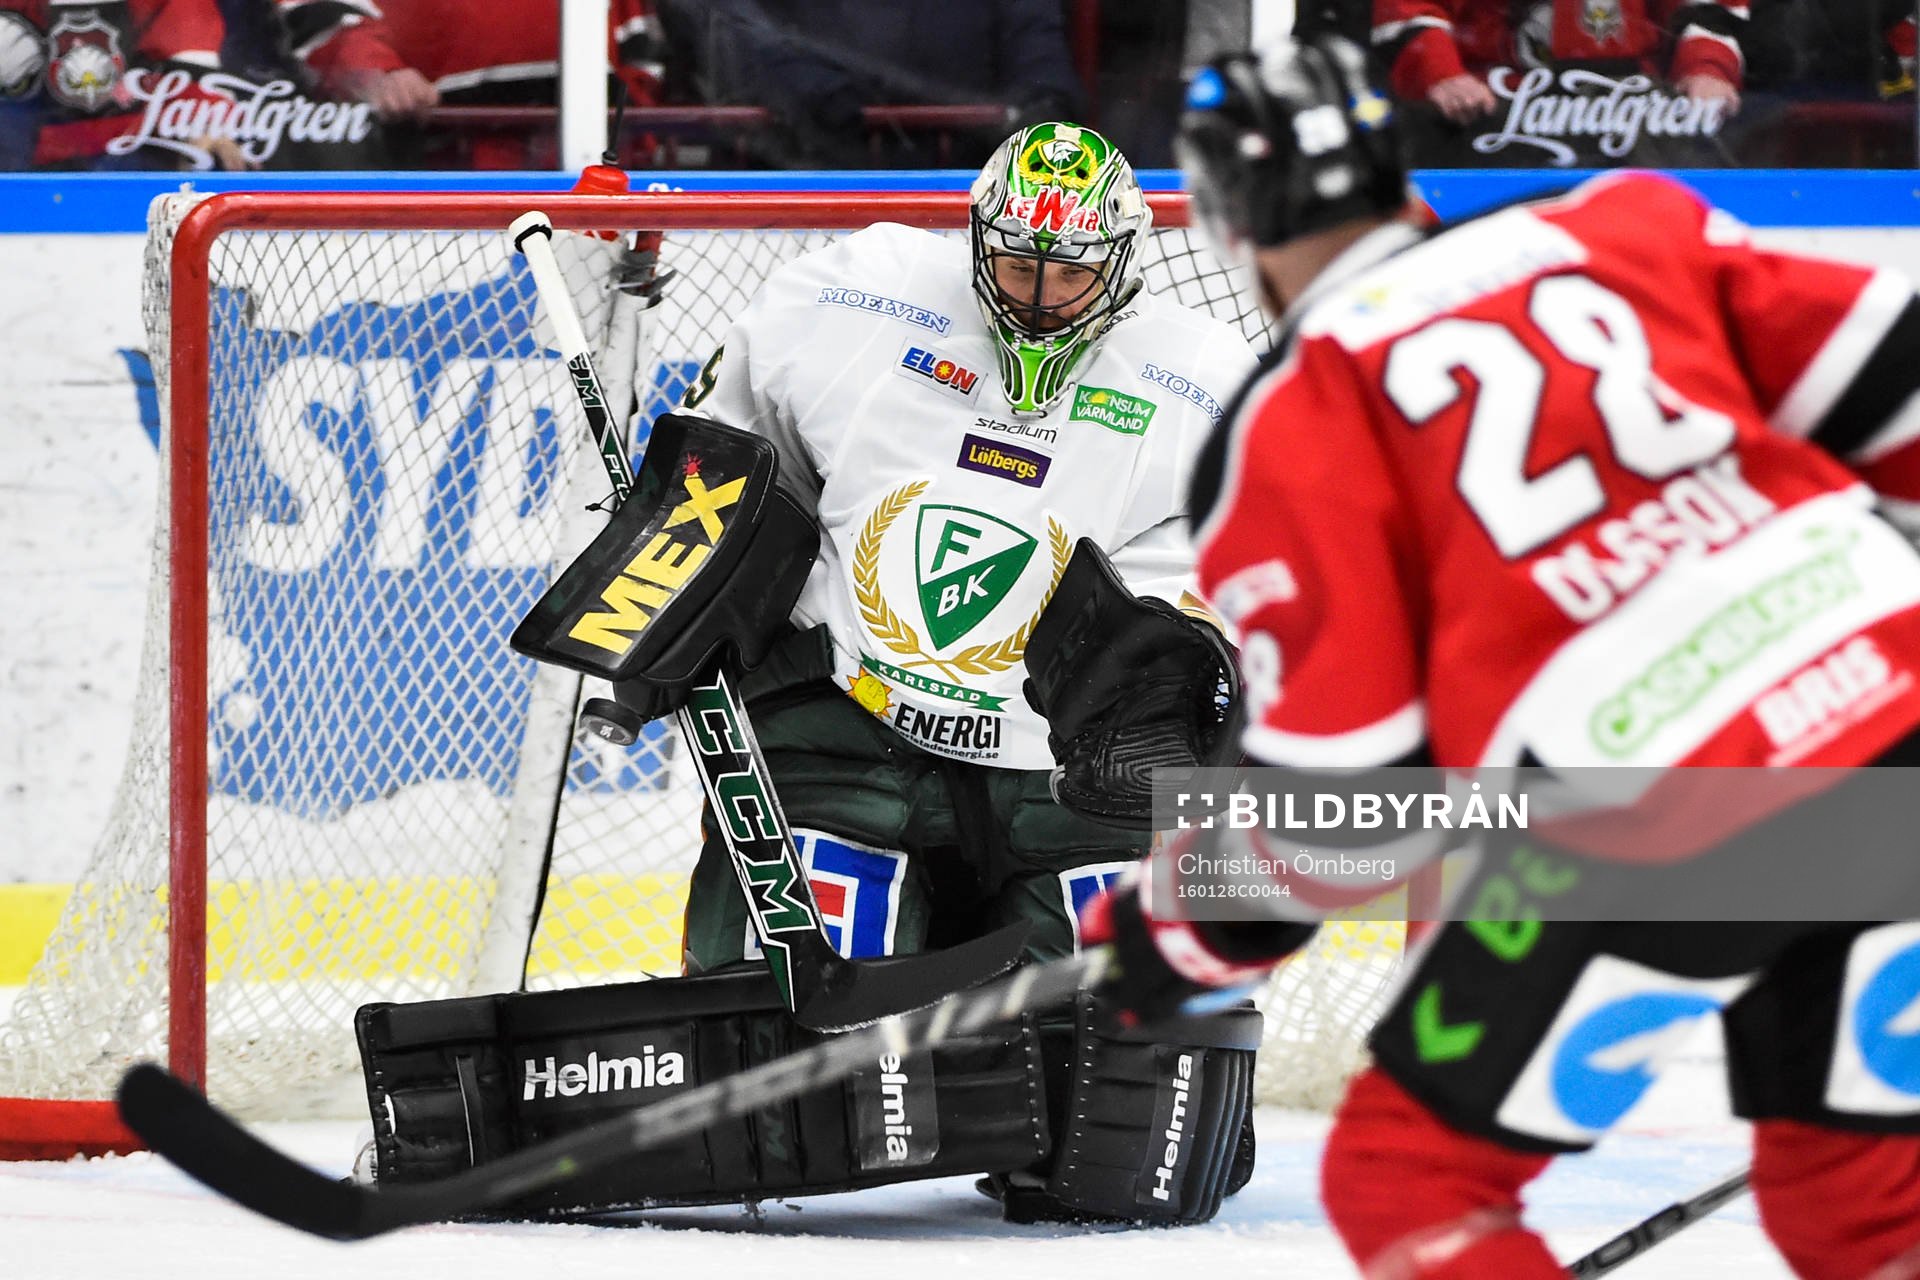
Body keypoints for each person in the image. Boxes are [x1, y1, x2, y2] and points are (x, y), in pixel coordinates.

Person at [1080, 32, 1920, 1279]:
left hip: (1659, 810)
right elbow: (1899, 387)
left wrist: (1184, 934)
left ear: (1225, 224)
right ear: (1392, 161)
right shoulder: (1617, 223)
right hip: (1887, 729)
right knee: (1860, 1199)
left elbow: (1344, 793)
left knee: (1411, 1180)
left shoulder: (1287, 422)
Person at [668, 120, 1263, 1223]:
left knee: (1120, 1154)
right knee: (788, 1102)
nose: (1039, 292)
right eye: (1018, 261)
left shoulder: (1216, 386)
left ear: (1128, 258)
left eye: (1071, 267)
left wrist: (1209, 682)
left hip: (1070, 781)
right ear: (977, 237)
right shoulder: (849, 300)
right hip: (856, 729)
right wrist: (670, 584)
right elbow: (723, 466)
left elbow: (1293, 594)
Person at [675, 0, 1085, 167]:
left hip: (959, 204)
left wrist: (1034, 120)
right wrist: (824, 97)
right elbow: (724, 30)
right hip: (797, 199)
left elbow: (1046, 83)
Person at [274, 0, 664, 167]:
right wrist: (381, 72)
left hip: (590, 171)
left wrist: (630, 138)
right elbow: (319, 18)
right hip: (446, 166)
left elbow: (639, 52)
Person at [1372, 0, 1746, 123]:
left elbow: (1706, 7)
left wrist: (1707, 69)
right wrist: (1441, 75)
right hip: (1492, 115)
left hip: (1639, 111)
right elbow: (1409, 12)